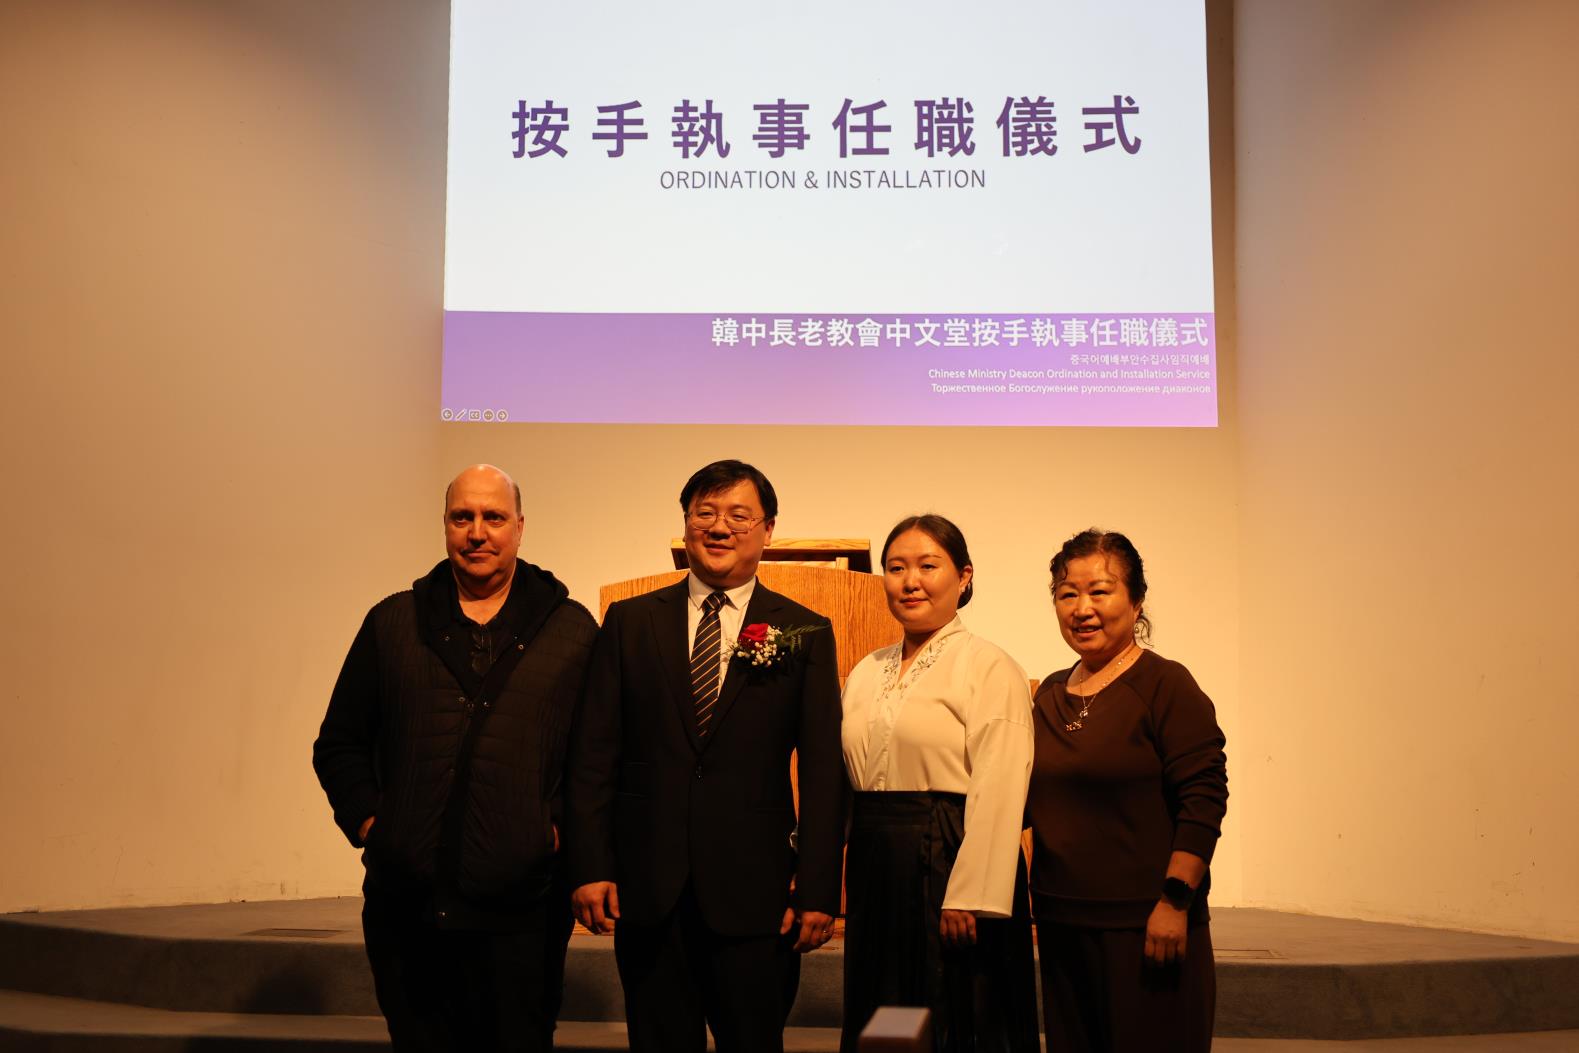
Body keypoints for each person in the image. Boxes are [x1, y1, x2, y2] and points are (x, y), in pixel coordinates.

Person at [311, 464, 598, 1052]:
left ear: (520, 527)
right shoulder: (393, 621)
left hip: (524, 909)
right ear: (445, 525)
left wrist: (554, 833)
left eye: (494, 517)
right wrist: (375, 825)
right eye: (462, 517)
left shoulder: (572, 631)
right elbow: (340, 743)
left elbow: (593, 759)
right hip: (406, 905)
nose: (477, 532)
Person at [564, 459, 847, 1053]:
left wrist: (818, 888)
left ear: (767, 530)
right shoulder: (630, 622)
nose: (720, 527)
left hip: (758, 896)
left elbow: (824, 772)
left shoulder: (804, 632)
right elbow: (593, 755)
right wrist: (590, 864)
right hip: (648, 892)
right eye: (706, 513)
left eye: (739, 516)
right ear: (687, 523)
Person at [839, 514, 1040, 1053]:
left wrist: (971, 894)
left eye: (928, 566)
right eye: (896, 568)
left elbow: (1001, 782)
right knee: (883, 1010)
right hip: (878, 863)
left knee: (953, 1010)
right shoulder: (865, 671)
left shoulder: (989, 666)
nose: (911, 581)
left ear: (964, 576)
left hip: (949, 857)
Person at [1027, 529, 1229, 1053]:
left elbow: (1203, 800)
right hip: (1062, 923)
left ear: (1136, 601)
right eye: (1067, 594)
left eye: (1100, 591)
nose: (1082, 608)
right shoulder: (1049, 693)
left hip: (1147, 925)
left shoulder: (1166, 685)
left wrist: (1175, 902)